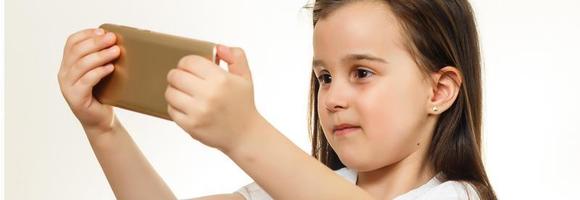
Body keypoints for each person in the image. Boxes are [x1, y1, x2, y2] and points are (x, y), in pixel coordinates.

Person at [57, 0, 496, 199]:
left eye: (362, 73)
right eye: (324, 76)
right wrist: (104, 130)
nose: (332, 97)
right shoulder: (282, 191)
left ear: (438, 91)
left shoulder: (459, 196)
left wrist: (244, 133)